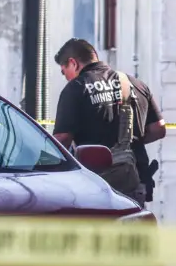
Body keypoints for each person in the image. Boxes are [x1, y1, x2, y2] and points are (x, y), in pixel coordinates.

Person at [52, 38, 166, 206]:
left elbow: (62, 138)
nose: (66, 78)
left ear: (73, 63)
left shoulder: (76, 88)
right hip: (135, 180)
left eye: (64, 71)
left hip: (96, 183)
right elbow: (158, 129)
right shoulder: (135, 83)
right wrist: (130, 141)